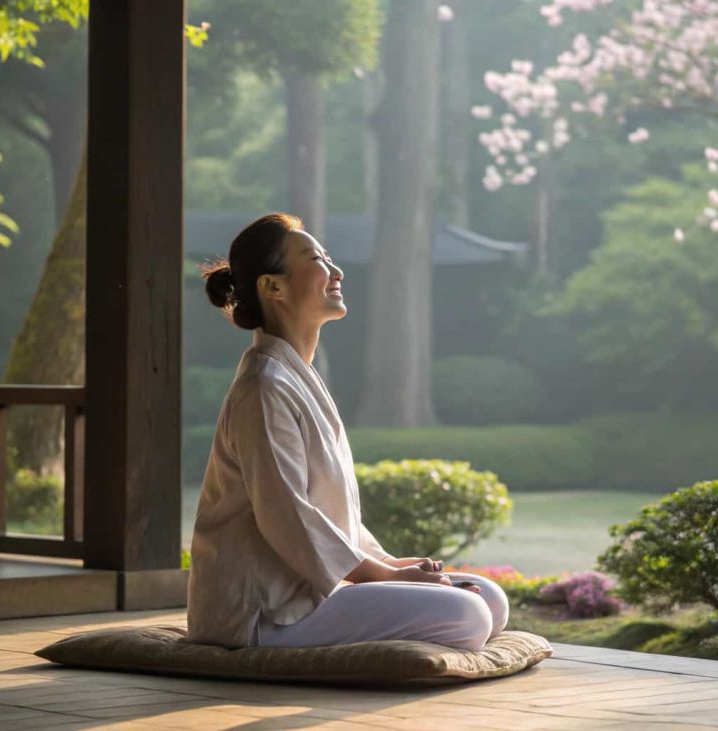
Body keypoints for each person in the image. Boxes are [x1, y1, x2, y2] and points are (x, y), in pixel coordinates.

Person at [186, 212, 508, 651]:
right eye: (317, 258)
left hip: (311, 594)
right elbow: (289, 518)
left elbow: (331, 513)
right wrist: (388, 578)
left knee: (490, 597)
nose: (336, 272)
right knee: (468, 614)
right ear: (273, 287)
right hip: (260, 611)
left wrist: (387, 563)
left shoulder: (293, 376)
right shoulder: (263, 387)